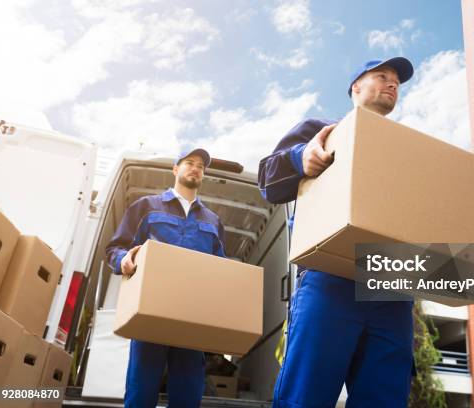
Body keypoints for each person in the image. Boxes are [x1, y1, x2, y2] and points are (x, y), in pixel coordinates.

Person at [258, 57, 416, 407]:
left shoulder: (407, 150)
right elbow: (268, 182)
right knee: (306, 395)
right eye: (382, 76)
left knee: (386, 398)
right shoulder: (322, 130)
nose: (392, 84)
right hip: (330, 279)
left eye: (397, 81)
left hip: (392, 289)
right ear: (355, 87)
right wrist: (302, 158)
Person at [106, 148, 225, 408]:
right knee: (141, 393)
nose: (196, 168)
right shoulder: (146, 207)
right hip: (150, 312)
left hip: (193, 318)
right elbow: (115, 248)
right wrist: (125, 260)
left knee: (187, 396)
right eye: (189, 163)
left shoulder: (213, 221)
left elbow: (221, 270)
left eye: (201, 167)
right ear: (175, 169)